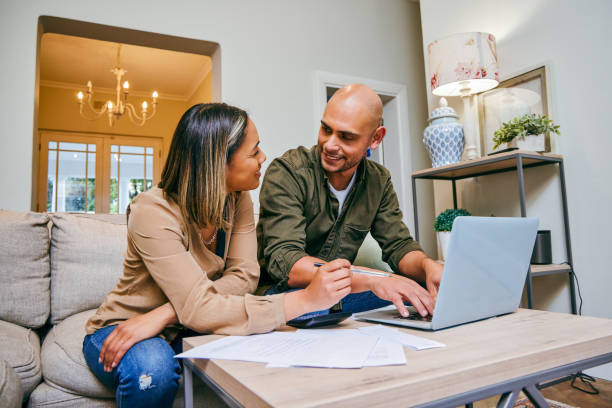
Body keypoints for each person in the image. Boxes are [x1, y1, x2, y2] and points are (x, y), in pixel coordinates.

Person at [82, 103, 352, 408]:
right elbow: (201, 306)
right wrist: (304, 300)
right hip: (126, 326)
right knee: (153, 371)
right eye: (254, 152)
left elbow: (245, 277)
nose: (263, 157)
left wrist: (170, 313)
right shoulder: (152, 210)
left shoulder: (238, 200)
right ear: (217, 162)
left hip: (186, 323)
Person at [257, 84, 443, 319]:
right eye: (326, 129)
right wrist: (376, 279)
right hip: (286, 294)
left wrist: (429, 267)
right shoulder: (288, 172)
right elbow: (286, 263)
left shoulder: (379, 180)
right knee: (321, 306)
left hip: (341, 293)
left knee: (424, 290)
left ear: (376, 138)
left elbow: (399, 247)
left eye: (346, 137)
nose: (330, 144)